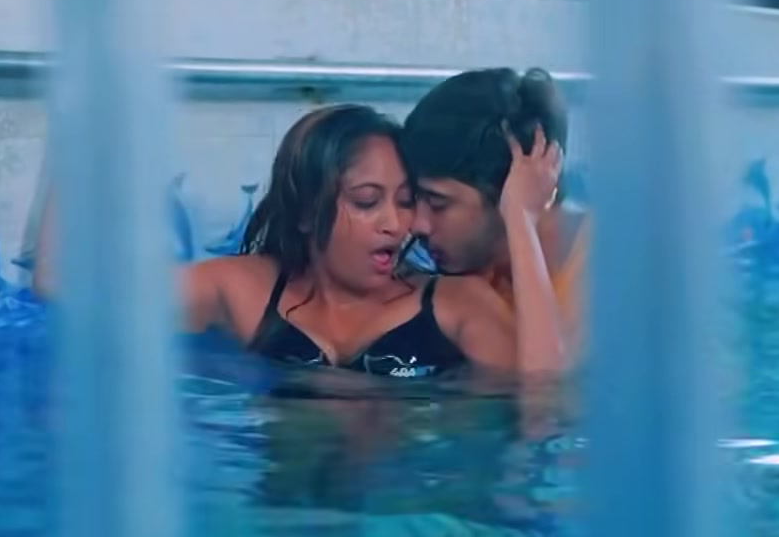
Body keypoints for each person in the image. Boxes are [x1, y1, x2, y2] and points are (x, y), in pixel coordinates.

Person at [33, 103, 541, 378]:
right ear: (304, 212)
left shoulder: (456, 304)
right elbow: (62, 284)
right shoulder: (244, 290)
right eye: (367, 201)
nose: (396, 223)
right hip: (281, 519)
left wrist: (521, 219)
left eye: (406, 200)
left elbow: (543, 401)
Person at [400, 68, 585, 366]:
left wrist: (521, 218)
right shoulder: (461, 268)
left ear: (509, 192)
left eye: (438, 204)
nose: (417, 224)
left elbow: (545, 387)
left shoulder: (615, 268)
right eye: (413, 199)